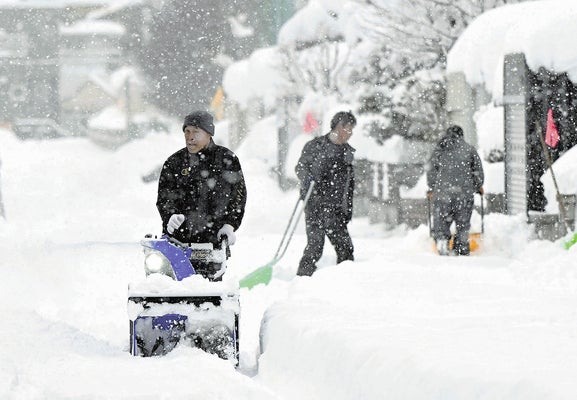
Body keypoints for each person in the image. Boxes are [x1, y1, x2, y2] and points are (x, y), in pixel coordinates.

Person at [156, 111, 247, 279]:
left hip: (212, 243)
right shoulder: (174, 163)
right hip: (177, 243)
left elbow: (238, 197)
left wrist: (229, 225)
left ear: (209, 134)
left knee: (208, 296)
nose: (190, 137)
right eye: (187, 131)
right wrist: (170, 216)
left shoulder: (227, 160)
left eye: (196, 132)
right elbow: (164, 197)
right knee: (169, 293)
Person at [295, 111, 356, 276]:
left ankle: (344, 280)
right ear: (338, 126)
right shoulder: (315, 146)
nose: (350, 134)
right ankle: (302, 279)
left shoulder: (347, 153)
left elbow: (349, 186)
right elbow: (300, 167)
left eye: (352, 130)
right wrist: (308, 179)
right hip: (315, 205)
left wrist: (347, 209)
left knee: (346, 248)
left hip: (335, 209)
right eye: (348, 129)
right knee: (315, 247)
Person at [426, 125, 484, 256]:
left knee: (441, 221)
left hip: (442, 193)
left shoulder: (439, 149)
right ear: (461, 135)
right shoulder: (469, 150)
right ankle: (462, 245)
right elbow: (477, 172)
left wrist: (432, 187)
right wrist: (477, 186)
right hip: (464, 194)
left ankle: (442, 241)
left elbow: (431, 170)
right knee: (463, 222)